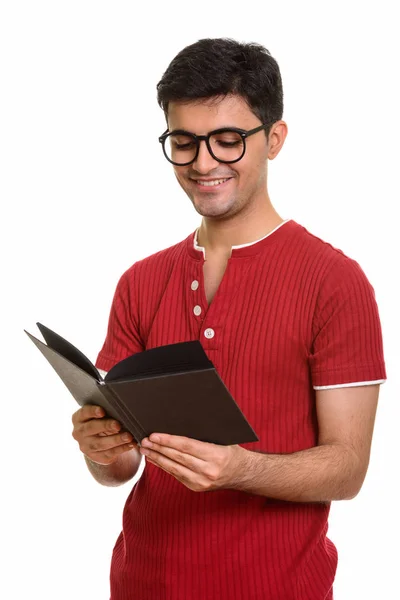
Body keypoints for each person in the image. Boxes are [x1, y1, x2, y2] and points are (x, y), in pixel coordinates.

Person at [71, 38, 386, 600]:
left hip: (278, 588)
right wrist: (102, 449)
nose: (203, 163)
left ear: (275, 139)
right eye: (184, 142)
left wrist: (242, 470)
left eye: (228, 141)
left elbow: (348, 467)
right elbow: (119, 468)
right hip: (142, 583)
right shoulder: (139, 282)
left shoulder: (335, 281)